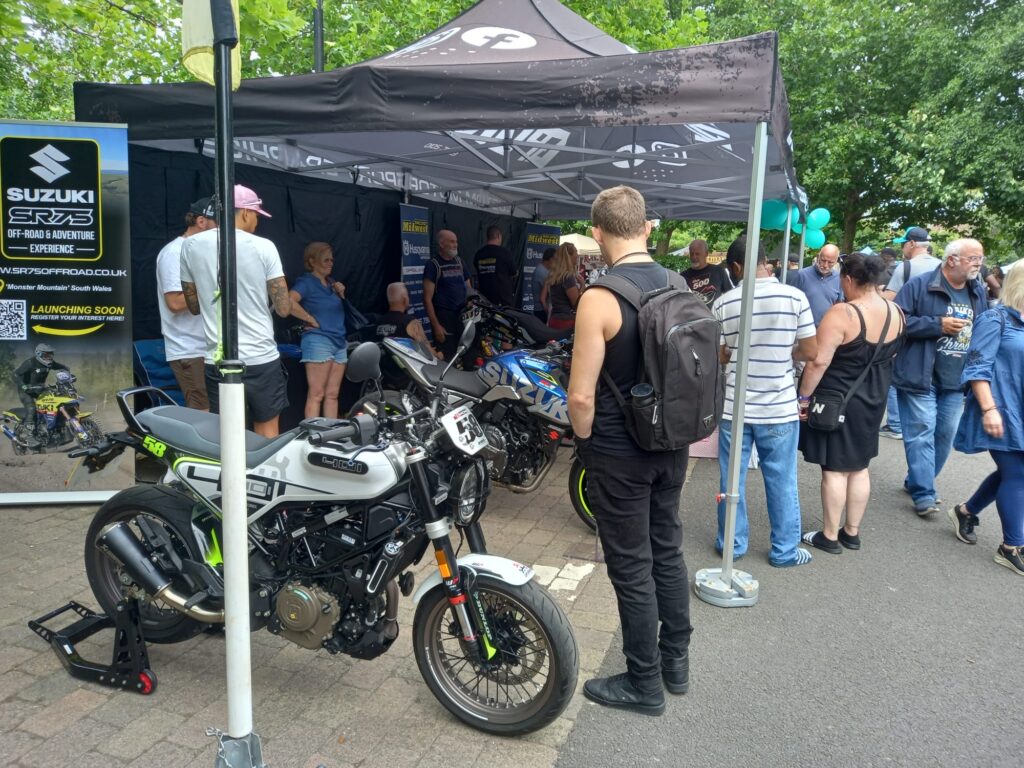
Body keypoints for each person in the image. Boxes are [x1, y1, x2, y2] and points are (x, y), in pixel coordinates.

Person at [568, 185, 691, 717]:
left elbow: (580, 396)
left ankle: (643, 682)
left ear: (597, 233)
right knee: (667, 550)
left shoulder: (598, 298)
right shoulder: (678, 283)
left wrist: (585, 443)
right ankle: (675, 664)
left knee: (631, 566)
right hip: (673, 442)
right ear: (646, 227)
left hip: (619, 452)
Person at [712, 237, 818, 568]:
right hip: (779, 407)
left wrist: (738, 352)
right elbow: (810, 351)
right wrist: (785, 351)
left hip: (734, 407)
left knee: (731, 480)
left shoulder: (724, 303)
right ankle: (784, 551)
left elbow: (720, 355)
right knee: (782, 481)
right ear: (765, 262)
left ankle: (731, 544)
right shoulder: (795, 297)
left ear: (736, 266)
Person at [797, 253, 905, 553]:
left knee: (834, 468)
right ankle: (851, 532)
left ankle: (829, 535)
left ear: (848, 278)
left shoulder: (843, 313)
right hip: (875, 397)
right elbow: (892, 354)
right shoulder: (897, 311)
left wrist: (803, 399)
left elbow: (818, 362)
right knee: (859, 467)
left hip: (838, 399)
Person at [180, 184, 291, 437]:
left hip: (218, 358)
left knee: (229, 434)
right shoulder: (264, 246)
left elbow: (194, 307)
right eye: (257, 215)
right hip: (261, 356)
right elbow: (284, 308)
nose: (257, 222)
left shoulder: (190, 246)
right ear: (245, 213)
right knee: (267, 429)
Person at [892, 238, 988, 516]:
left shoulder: (977, 291)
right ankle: (924, 492)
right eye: (972, 258)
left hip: (956, 380)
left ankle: (917, 479)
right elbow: (897, 321)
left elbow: (983, 329)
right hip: (919, 375)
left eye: (980, 258)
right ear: (952, 259)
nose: (978, 263)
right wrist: (937, 325)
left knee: (945, 435)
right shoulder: (919, 285)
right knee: (921, 432)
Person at [950, 262, 1024, 574]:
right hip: (1001, 408)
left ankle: (966, 511)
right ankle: (1011, 546)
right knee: (1017, 473)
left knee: (1014, 471)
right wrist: (989, 409)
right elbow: (977, 367)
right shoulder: (996, 319)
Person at [155, 196, 217, 410]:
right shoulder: (174, 252)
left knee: (221, 414)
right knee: (203, 414)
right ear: (201, 221)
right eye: (218, 225)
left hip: (210, 349)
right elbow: (175, 302)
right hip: (190, 349)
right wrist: (217, 289)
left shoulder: (203, 252)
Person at [288, 242, 348, 419]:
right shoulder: (306, 282)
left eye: (331, 260)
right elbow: (288, 301)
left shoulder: (331, 283)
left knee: (332, 395)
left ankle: (332, 432)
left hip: (339, 340)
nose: (330, 263)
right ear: (312, 261)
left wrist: (341, 293)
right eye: (325, 260)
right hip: (319, 340)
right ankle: (313, 433)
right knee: (316, 395)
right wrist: (309, 318)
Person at [423, 229, 472, 360]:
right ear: (441, 244)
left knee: (468, 356)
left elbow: (469, 289)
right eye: (451, 241)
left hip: (463, 317)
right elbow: (427, 299)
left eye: (456, 242)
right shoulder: (433, 265)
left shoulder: (460, 262)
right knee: (447, 357)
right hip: (445, 318)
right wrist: (436, 326)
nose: (455, 245)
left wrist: (471, 305)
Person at [12, 343, 70, 446]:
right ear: (39, 354)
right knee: (32, 409)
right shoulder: (30, 363)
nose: (49, 357)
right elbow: (15, 374)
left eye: (51, 354)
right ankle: (29, 436)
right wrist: (24, 386)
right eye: (46, 355)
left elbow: (59, 366)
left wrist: (66, 369)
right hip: (26, 391)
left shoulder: (50, 364)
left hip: (40, 389)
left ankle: (58, 431)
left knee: (56, 403)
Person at [373, 282, 440, 352]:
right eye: (408, 295)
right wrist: (438, 355)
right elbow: (427, 351)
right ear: (405, 299)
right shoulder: (411, 322)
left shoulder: (378, 322)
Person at [882, 226, 941, 299]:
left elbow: (889, 298)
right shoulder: (942, 265)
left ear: (912, 244)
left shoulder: (905, 267)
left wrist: (877, 292)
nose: (902, 248)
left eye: (903, 244)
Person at [792, 244, 842, 325]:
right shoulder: (802, 275)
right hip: (802, 327)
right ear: (818, 257)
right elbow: (791, 301)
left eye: (830, 262)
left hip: (826, 327)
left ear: (836, 261)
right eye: (823, 260)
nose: (825, 265)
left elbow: (839, 304)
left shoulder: (839, 279)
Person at [473, 225, 517, 307]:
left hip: (484, 299)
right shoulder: (505, 253)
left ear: (487, 237)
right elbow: (514, 272)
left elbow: (477, 271)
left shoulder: (479, 254)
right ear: (498, 236)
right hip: (503, 300)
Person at [540, 242, 582, 330]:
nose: (577, 256)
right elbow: (576, 304)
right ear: (569, 257)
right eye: (576, 252)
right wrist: (582, 285)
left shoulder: (554, 275)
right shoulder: (567, 277)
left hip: (554, 319)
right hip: (566, 321)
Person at [681, 238, 732, 307]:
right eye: (692, 254)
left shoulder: (718, 271)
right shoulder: (683, 276)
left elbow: (729, 294)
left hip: (713, 313)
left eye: (697, 254)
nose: (694, 257)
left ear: (706, 254)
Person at [531, 247, 556, 323]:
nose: (557, 263)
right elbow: (548, 293)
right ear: (551, 259)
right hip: (541, 311)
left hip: (541, 310)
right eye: (556, 260)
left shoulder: (543, 270)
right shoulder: (542, 272)